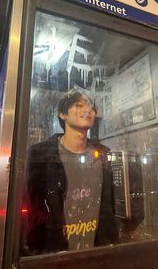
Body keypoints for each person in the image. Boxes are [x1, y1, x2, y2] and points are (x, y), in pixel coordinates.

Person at [24, 89, 118, 254]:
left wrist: (110, 243)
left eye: (91, 107)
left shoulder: (103, 154)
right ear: (62, 114)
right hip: (55, 251)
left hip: (97, 251)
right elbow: (33, 207)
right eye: (79, 105)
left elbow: (108, 206)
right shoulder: (41, 154)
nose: (87, 110)